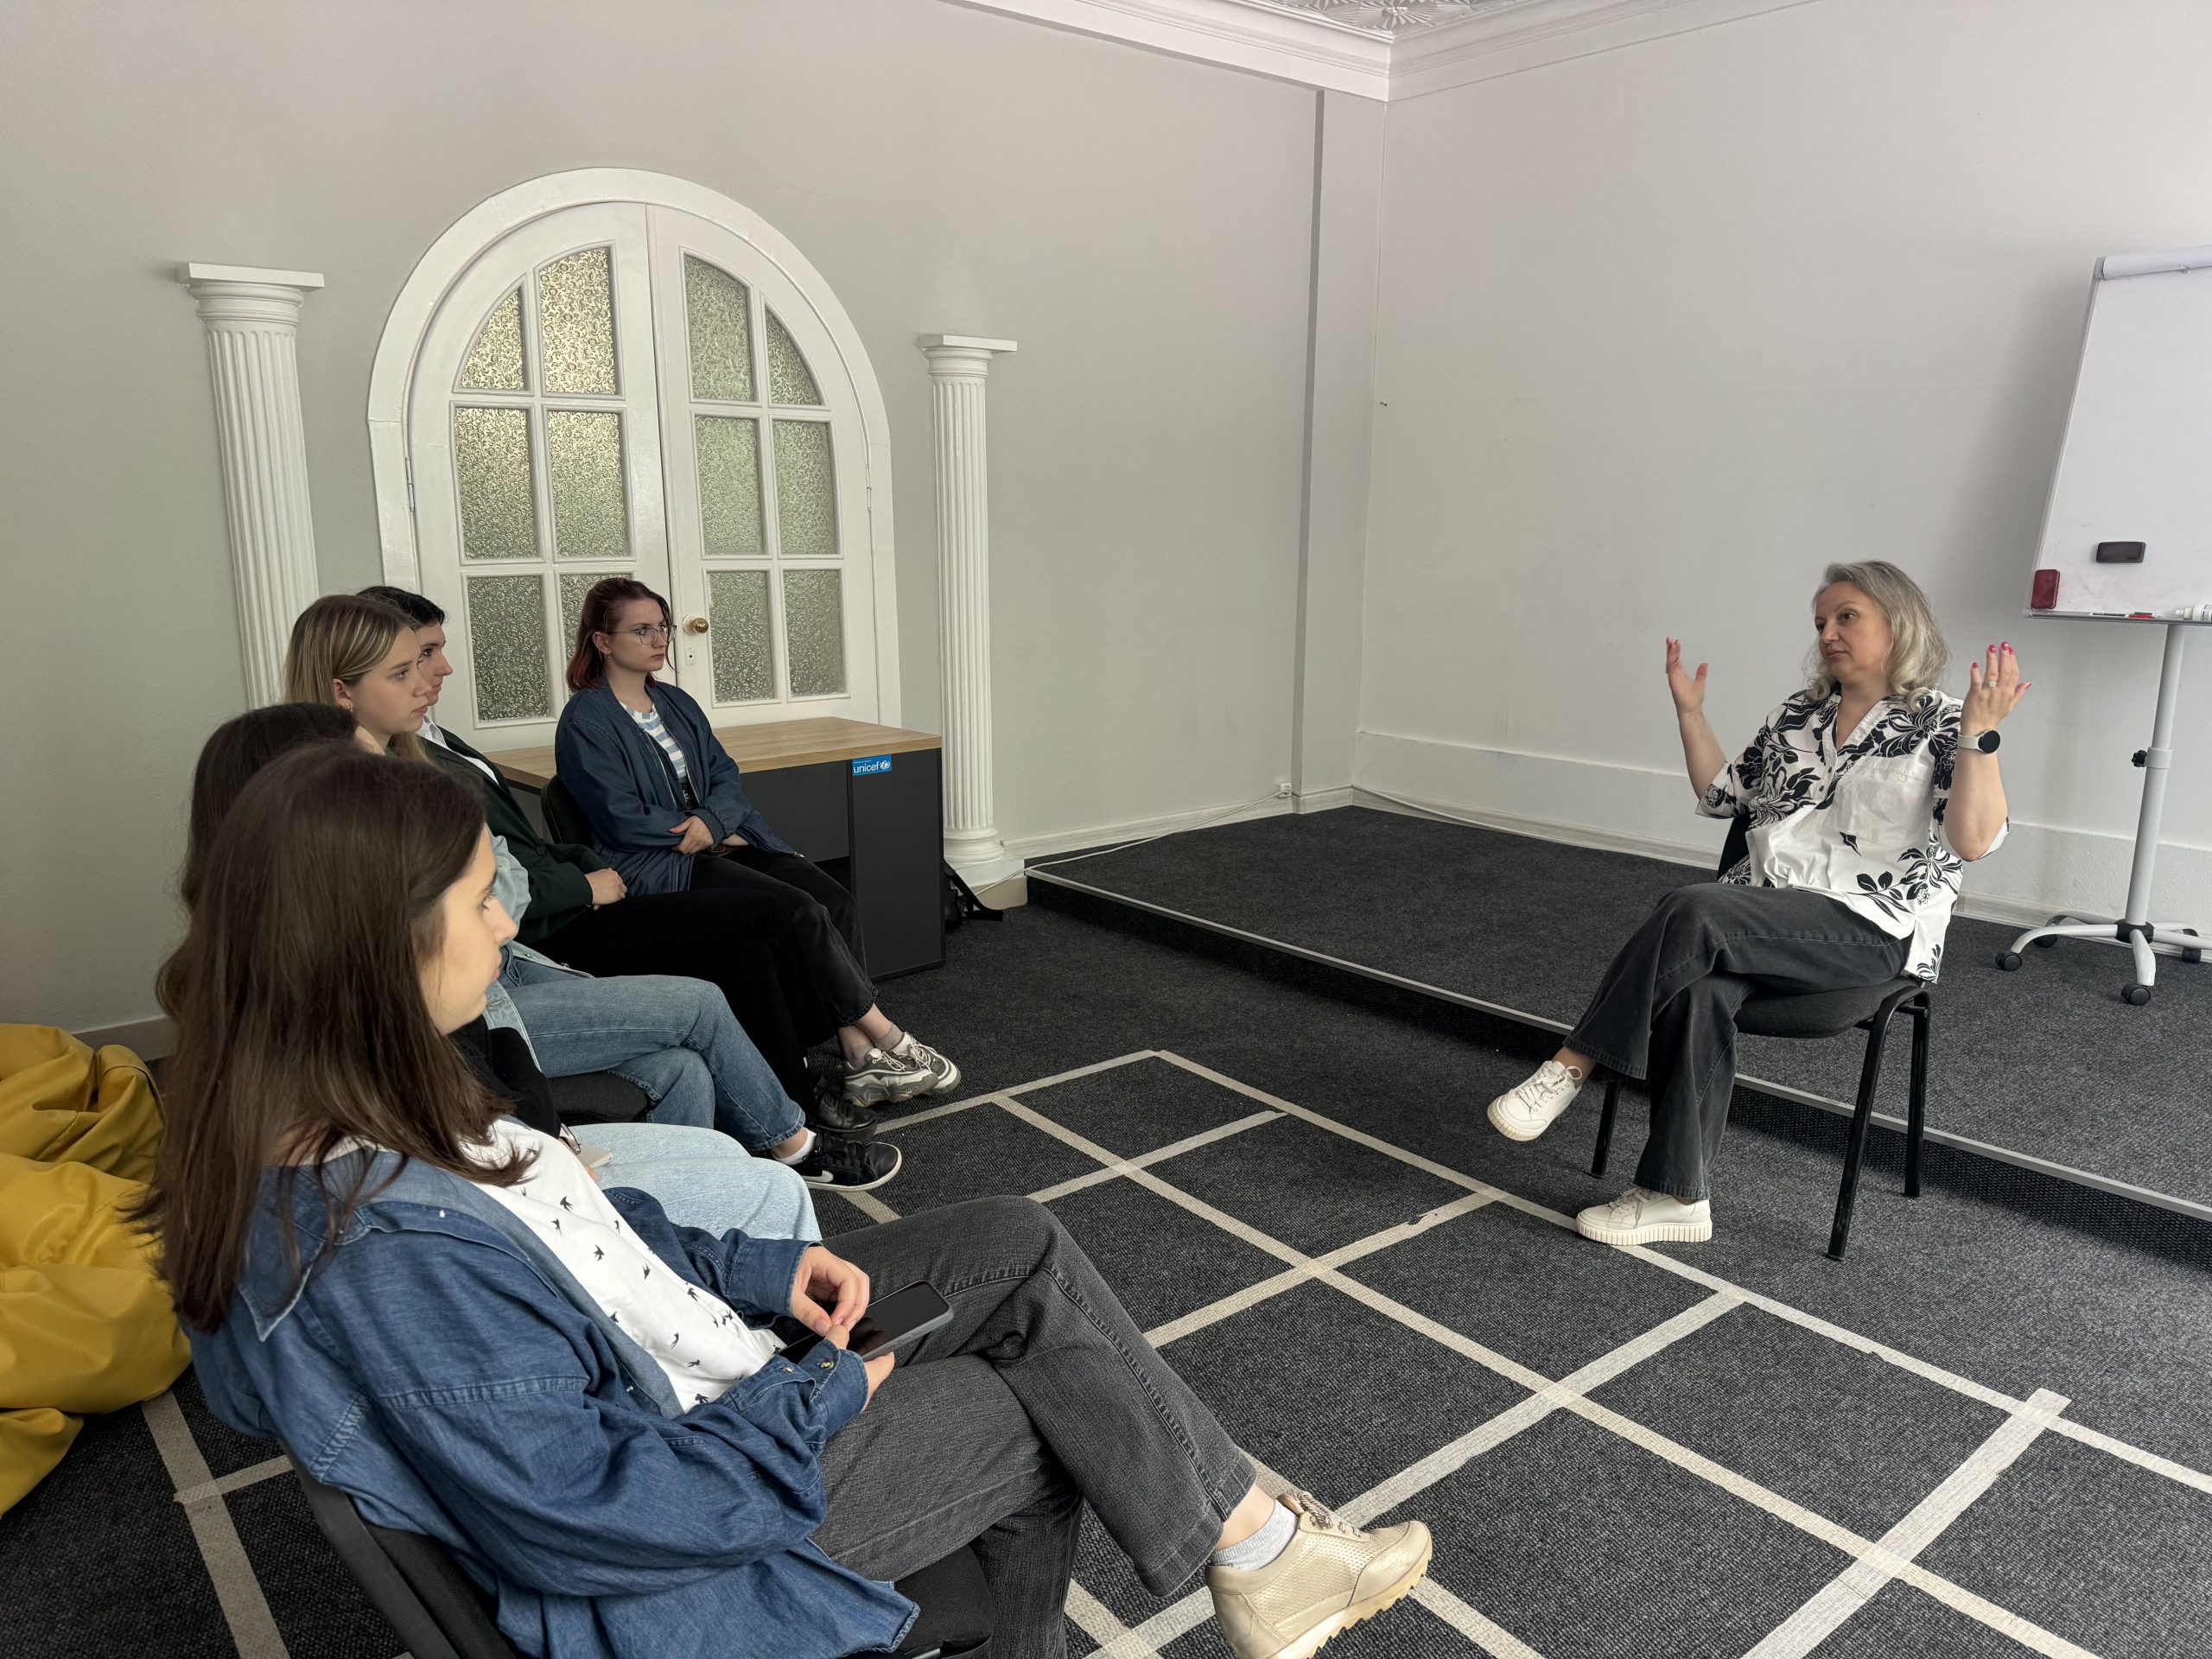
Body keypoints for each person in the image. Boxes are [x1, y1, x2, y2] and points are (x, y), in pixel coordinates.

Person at [144, 742, 1433, 1659]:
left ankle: (1258, 1551)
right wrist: (818, 1398)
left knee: (1015, 1239)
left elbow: (579, 1239)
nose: (505, 922)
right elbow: (594, 1519)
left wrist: (758, 1268)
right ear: (372, 944)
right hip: (686, 1531)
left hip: (694, 1395)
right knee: (1048, 1412)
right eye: (481, 897)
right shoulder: (384, 1248)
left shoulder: (378, 1088)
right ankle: (1256, 1557)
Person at [1485, 562, 2025, 1245]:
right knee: (1697, 987)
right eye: (1821, 622)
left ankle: (1571, 1066)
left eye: (1847, 617)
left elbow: (1972, 841)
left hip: (1870, 933)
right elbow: (1722, 795)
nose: (1828, 633)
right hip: (1763, 922)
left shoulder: (1943, 722)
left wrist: (1980, 735)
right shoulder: (1797, 716)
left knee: (1694, 908)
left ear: (1899, 624)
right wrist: (1690, 713)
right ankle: (1676, 1196)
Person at [178, 702, 870, 1230]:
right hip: (512, 1182)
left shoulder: (303, 978)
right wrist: (556, 1164)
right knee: (761, 1162)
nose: (437, 674)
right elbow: (478, 1124)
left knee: (693, 1064)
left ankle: (700, 1246)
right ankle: (796, 1142)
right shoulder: (374, 1001)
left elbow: (517, 884)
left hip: (516, 1149)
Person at [358, 585, 942, 1117]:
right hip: (657, 862)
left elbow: (725, 774)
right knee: (792, 913)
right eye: (643, 630)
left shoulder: (677, 703)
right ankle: (879, 1041)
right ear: (602, 641)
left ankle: (857, 1052)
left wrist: (714, 821)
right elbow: (618, 816)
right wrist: (699, 831)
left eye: (662, 627)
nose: (659, 638)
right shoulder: (586, 719)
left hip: (707, 842)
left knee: (832, 899)